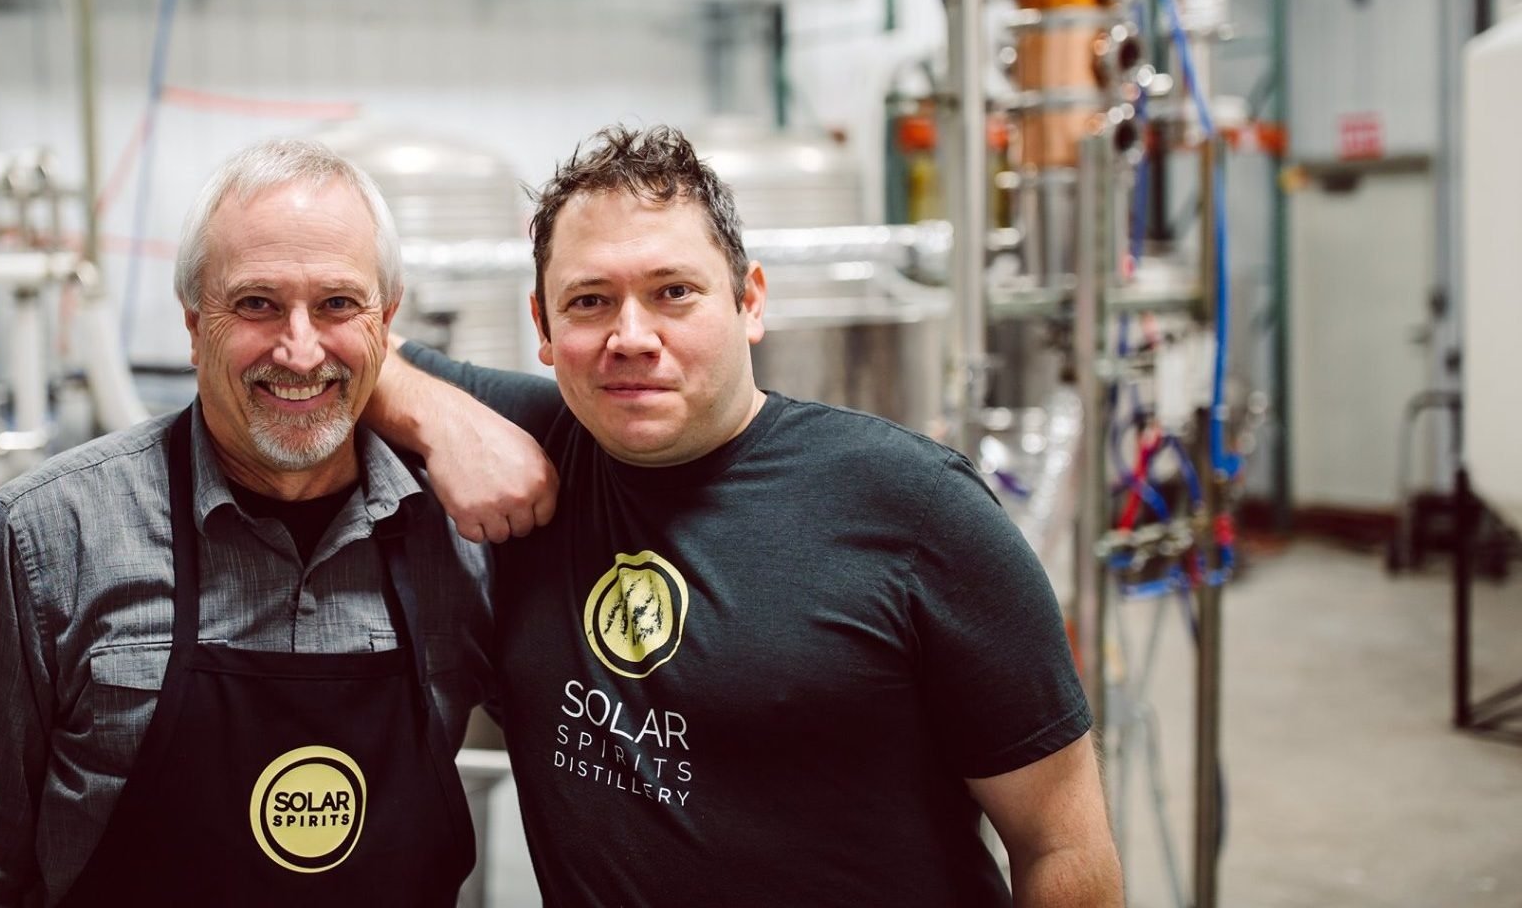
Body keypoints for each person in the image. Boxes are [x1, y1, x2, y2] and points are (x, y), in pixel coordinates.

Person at [367, 125, 1122, 906]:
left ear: (749, 300)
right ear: (544, 328)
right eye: (590, 302)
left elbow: (1062, 841)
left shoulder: (913, 509)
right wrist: (441, 421)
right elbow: (352, 351)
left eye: (674, 293)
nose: (632, 338)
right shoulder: (536, 441)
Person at [0, 138, 506, 907]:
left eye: (338, 304)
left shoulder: (464, 537)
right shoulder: (49, 537)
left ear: (388, 320)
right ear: (192, 320)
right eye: (256, 304)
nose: (300, 349)